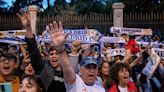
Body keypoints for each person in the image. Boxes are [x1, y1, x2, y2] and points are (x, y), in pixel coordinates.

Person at [44, 20, 105, 92]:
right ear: (80, 69)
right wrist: (60, 49)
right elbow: (67, 68)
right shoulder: (75, 82)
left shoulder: (101, 90)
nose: (91, 71)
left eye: (94, 68)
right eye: (88, 67)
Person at [17, 10, 66, 92]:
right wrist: (28, 28)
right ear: (48, 56)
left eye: (56, 53)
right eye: (51, 54)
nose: (54, 56)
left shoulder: (67, 71)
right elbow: (33, 51)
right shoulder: (44, 69)